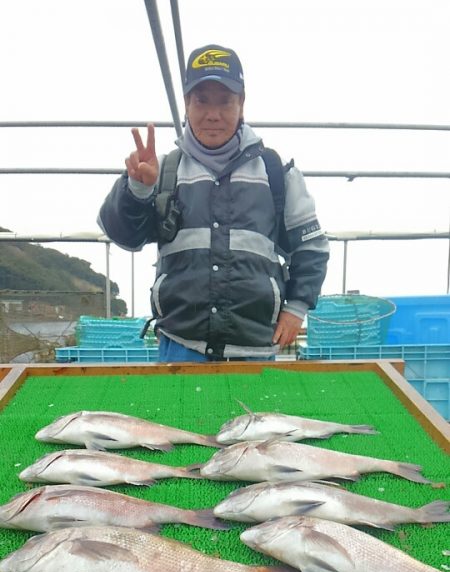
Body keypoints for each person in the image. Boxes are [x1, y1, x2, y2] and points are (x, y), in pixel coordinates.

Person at [98, 44, 329, 362]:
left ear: (242, 104)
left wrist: (296, 308)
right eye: (201, 100)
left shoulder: (277, 171)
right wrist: (138, 188)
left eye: (225, 101)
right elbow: (125, 236)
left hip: (256, 350)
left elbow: (311, 248)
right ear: (186, 105)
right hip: (179, 347)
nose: (213, 114)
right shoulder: (161, 169)